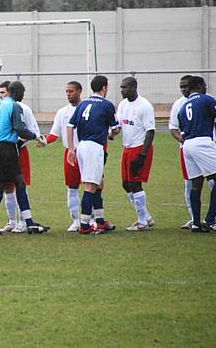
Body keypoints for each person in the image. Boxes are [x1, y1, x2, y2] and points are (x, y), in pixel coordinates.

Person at [0, 81, 47, 235]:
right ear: (16, 91)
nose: (22, 97)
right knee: (4, 185)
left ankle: (29, 223)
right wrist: (37, 136)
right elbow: (20, 129)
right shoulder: (14, 106)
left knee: (16, 183)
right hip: (7, 149)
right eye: (22, 93)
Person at [169, 75, 216, 229]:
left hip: (187, 145)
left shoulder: (182, 107)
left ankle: (196, 223)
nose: (206, 87)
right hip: (203, 142)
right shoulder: (207, 99)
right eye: (204, 85)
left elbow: (180, 128)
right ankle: (210, 219)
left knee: (196, 184)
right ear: (199, 85)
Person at [67, 75, 120, 235]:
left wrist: (71, 149)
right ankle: (84, 225)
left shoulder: (83, 104)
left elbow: (70, 126)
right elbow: (116, 128)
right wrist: (111, 133)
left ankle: (100, 221)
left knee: (99, 183)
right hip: (94, 147)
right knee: (90, 185)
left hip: (81, 146)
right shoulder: (107, 105)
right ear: (104, 88)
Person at [0, 81, 43, 233]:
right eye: (0, 93)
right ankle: (11, 221)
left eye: (4, 92)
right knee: (7, 186)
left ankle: (23, 222)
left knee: (21, 184)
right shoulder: (0, 107)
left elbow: (32, 130)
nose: (2, 96)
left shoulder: (24, 109)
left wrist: (18, 143)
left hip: (20, 152)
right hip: (5, 152)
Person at [38, 81, 83, 231]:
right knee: (72, 187)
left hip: (87, 152)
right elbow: (54, 134)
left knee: (93, 185)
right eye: (66, 91)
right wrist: (43, 141)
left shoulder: (87, 109)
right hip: (69, 154)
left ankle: (93, 219)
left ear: (79, 91)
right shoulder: (62, 112)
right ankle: (76, 220)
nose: (68, 94)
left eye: (71, 91)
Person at [116, 77, 156, 231]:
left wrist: (142, 155)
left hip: (139, 148)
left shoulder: (144, 106)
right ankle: (146, 217)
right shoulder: (123, 105)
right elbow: (119, 125)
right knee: (126, 184)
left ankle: (142, 221)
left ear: (134, 87)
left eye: (125, 87)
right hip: (127, 148)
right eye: (121, 87)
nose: (122, 90)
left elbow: (150, 131)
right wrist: (112, 133)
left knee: (135, 183)